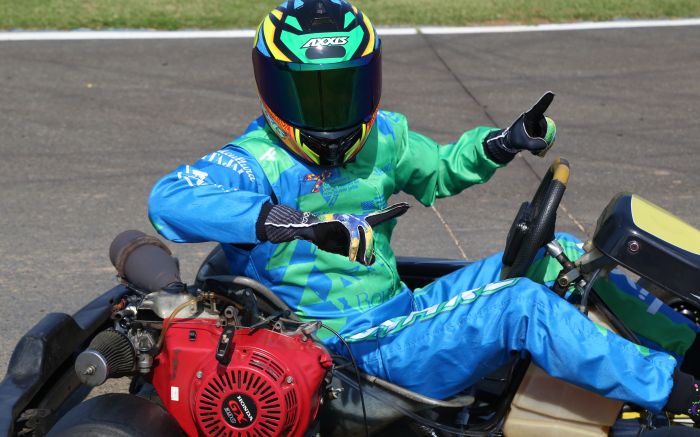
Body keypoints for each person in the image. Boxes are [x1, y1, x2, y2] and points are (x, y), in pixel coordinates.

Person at [148, 0, 700, 418]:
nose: (332, 111)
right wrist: (295, 223)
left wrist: (505, 142)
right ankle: (676, 392)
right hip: (345, 355)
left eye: (345, 90)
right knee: (520, 307)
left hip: (398, 315)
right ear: (271, 87)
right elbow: (169, 200)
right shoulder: (255, 161)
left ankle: (691, 350)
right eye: (312, 94)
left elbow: (438, 169)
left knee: (564, 256)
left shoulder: (381, 138)